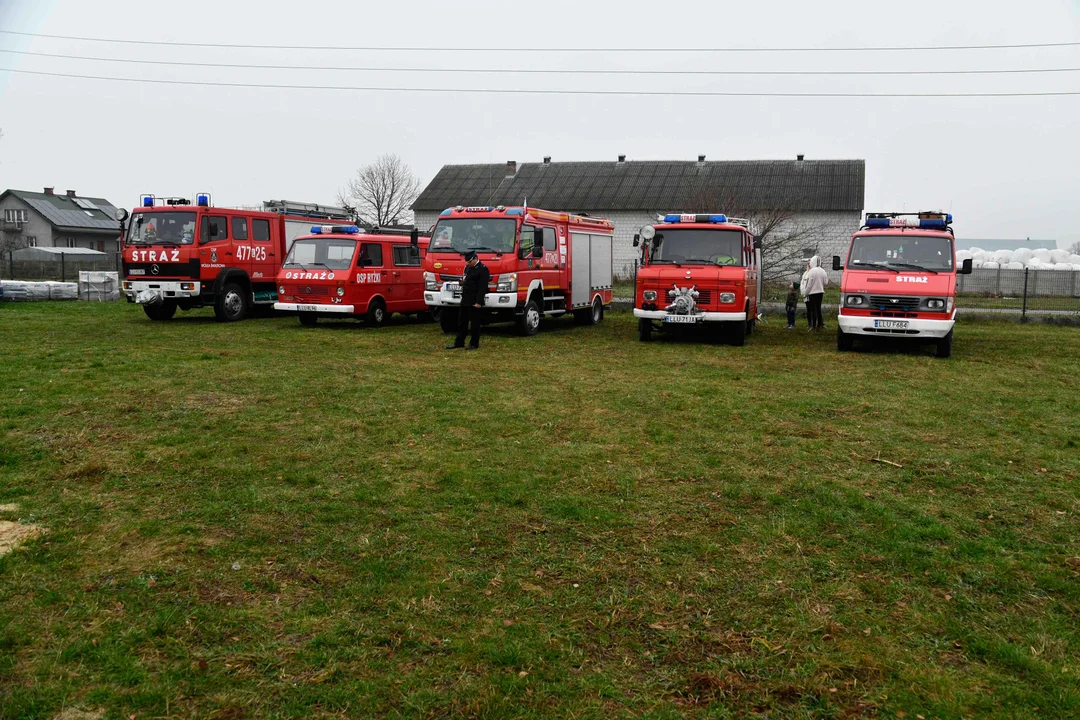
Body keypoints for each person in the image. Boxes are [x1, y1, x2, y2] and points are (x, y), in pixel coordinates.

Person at [447, 250, 490, 350]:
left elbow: (482, 287)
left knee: (475, 323)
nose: (469, 263)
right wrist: (463, 282)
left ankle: (474, 343)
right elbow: (467, 279)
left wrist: (479, 302)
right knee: (462, 322)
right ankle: (459, 342)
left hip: (474, 299)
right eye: (467, 262)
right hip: (465, 298)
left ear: (476, 258)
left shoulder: (482, 269)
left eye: (470, 261)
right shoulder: (467, 268)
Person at [803, 255, 829, 331]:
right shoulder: (823, 271)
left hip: (812, 293)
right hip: (820, 292)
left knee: (813, 310)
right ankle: (819, 324)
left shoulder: (811, 271)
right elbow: (826, 282)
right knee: (818, 309)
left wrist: (806, 293)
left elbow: (809, 284)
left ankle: (813, 326)